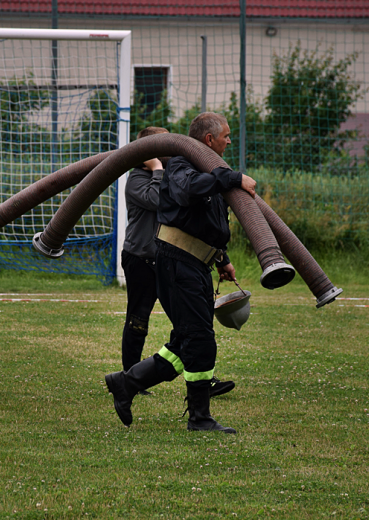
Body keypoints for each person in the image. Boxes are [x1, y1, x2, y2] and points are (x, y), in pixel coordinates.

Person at [106, 112, 257, 433]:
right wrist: (230, 179)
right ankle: (199, 418)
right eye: (226, 135)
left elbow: (205, 224)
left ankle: (126, 382)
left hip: (196, 263)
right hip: (177, 262)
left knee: (185, 339)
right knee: (199, 339)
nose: (230, 140)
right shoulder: (180, 165)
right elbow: (188, 191)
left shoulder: (208, 169)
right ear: (208, 139)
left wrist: (221, 258)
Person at [120, 126, 235, 398]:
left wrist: (221, 257)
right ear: (149, 151)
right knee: (138, 320)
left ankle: (200, 380)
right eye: (165, 144)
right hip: (140, 259)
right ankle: (129, 376)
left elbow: (198, 222)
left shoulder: (178, 175)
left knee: (190, 328)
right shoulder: (137, 179)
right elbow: (155, 199)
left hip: (167, 260)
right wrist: (158, 168)